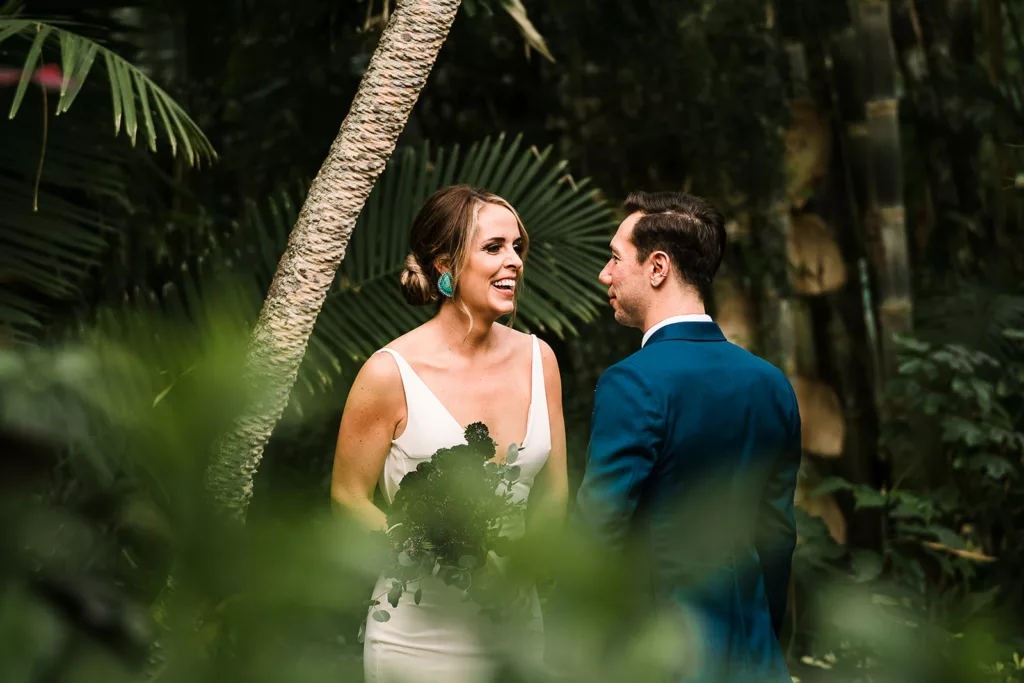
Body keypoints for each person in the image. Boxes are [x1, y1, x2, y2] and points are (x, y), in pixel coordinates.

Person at [330, 184, 568, 683]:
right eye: (493, 248)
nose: (514, 262)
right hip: (417, 638)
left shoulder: (538, 360)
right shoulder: (388, 373)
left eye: (517, 248)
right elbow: (349, 497)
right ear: (445, 265)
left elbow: (554, 492)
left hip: (516, 625)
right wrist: (429, 548)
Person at [572, 191, 801, 682]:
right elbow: (778, 537)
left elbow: (598, 531)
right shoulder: (771, 384)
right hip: (757, 658)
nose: (604, 275)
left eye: (615, 257)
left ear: (658, 267)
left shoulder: (632, 382)